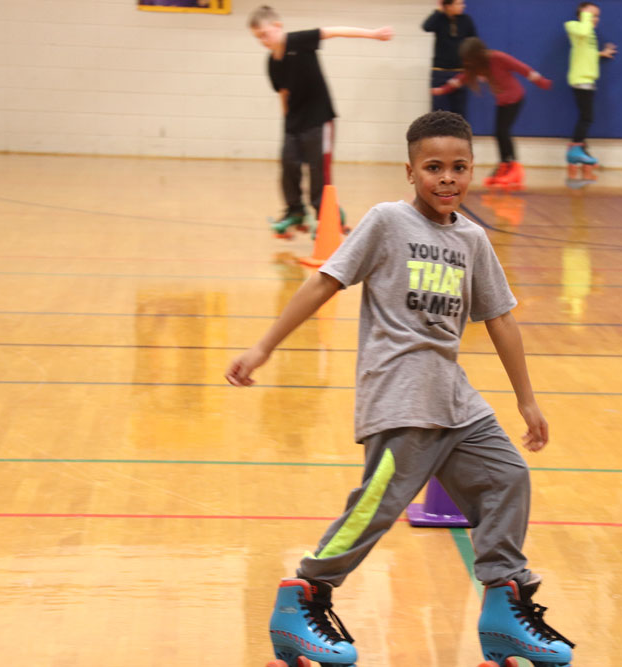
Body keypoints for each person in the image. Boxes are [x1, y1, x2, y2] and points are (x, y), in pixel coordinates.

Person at [226, 111, 574, 667]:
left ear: (472, 172)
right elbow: (324, 280)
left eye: (459, 167)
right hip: (400, 394)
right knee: (377, 508)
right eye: (433, 167)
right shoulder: (387, 222)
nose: (446, 178)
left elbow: (501, 319)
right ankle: (304, 596)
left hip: (454, 398)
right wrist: (264, 346)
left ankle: (505, 609)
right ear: (409, 171)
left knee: (507, 475)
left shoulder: (473, 238)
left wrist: (526, 399)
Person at [248, 6, 393, 238]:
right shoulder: (272, 62)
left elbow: (335, 31)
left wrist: (373, 34)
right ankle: (294, 210)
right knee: (288, 165)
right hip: (294, 123)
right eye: (257, 37)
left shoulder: (299, 41)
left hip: (319, 119)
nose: (262, 41)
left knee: (319, 171)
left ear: (277, 26)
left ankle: (325, 215)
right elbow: (284, 94)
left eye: (264, 34)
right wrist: (287, 124)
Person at [431, 38, 552, 190]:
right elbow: (460, 79)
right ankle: (504, 165)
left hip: (515, 97)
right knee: (498, 133)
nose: (467, 63)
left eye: (469, 59)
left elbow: (521, 67)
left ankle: (514, 167)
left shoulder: (496, 58)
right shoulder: (475, 67)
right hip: (502, 101)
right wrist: (443, 89)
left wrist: (540, 81)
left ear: (477, 55)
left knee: (503, 131)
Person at [564, 2, 616, 175]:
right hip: (581, 80)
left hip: (588, 80)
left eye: (597, 16)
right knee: (587, 118)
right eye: (592, 15)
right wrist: (586, 16)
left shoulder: (588, 32)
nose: (595, 19)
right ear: (582, 15)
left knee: (585, 117)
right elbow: (583, 31)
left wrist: (601, 54)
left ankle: (580, 152)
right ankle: (575, 152)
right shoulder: (573, 26)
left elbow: (585, 52)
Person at [422, 0, 478, 118]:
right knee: (438, 111)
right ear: (448, 5)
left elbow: (474, 42)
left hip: (460, 72)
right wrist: (438, 10)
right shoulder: (439, 19)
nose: (463, 6)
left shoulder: (466, 20)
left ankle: (459, 136)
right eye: (459, 3)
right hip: (440, 72)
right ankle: (437, 135)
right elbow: (426, 27)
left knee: (459, 111)